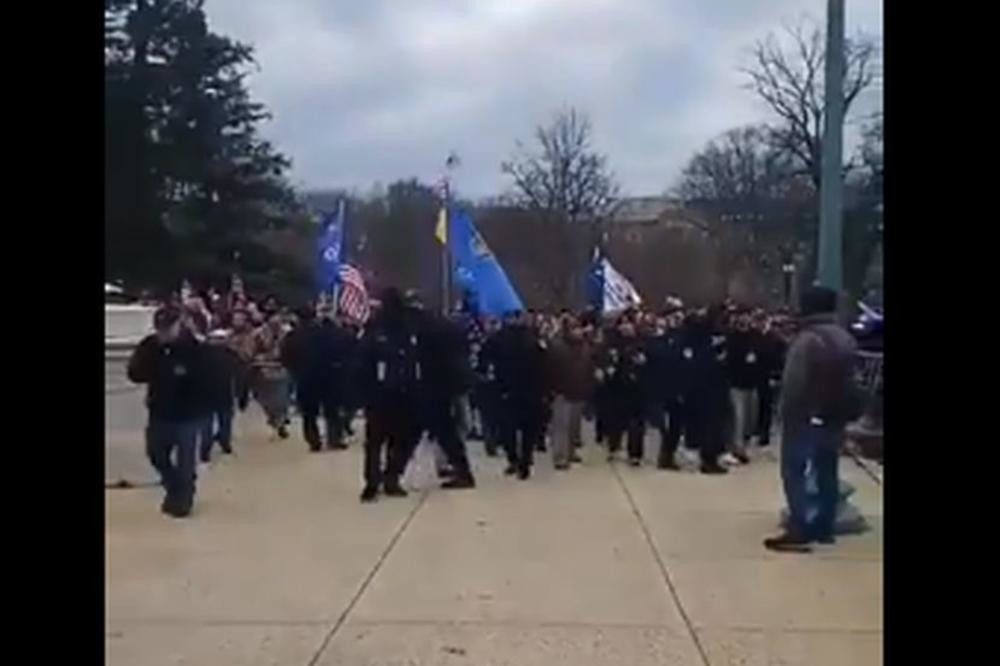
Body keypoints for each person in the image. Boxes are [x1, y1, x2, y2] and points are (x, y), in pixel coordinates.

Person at [765, 286, 862, 553]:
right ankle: (824, 525)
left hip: (804, 416)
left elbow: (794, 384)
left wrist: (784, 413)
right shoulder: (845, 339)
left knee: (794, 471)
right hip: (835, 416)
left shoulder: (806, 340)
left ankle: (799, 526)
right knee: (827, 470)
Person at [127, 307, 210, 518]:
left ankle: (183, 500)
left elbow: (206, 378)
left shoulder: (194, 348)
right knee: (156, 454)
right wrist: (149, 363)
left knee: (186, 461)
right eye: (159, 329)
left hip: (189, 414)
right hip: (159, 412)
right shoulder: (150, 346)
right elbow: (134, 374)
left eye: (167, 329)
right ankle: (175, 488)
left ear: (178, 325)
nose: (162, 334)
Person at [358, 288, 425, 502]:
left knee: (377, 442)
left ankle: (376, 481)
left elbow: (361, 363)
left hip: (386, 394)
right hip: (398, 394)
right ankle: (388, 478)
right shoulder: (405, 330)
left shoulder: (383, 330)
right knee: (396, 441)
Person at [494, 310, 549, 480]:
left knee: (507, 430)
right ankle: (524, 461)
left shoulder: (499, 339)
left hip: (508, 391)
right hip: (529, 391)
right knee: (527, 431)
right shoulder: (534, 340)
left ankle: (515, 460)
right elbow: (544, 366)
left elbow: (488, 362)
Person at [595, 317, 647, 466]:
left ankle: (635, 453)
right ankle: (614, 447)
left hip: (636, 389)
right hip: (616, 389)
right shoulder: (612, 344)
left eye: (629, 324)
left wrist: (641, 363)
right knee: (615, 421)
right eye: (623, 324)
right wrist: (606, 369)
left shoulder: (640, 343)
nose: (627, 327)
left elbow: (646, 362)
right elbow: (604, 361)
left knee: (636, 423)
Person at [546, 316, 594, 470]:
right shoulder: (556, 346)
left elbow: (589, 368)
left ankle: (571, 451)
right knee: (561, 426)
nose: (578, 331)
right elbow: (549, 369)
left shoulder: (585, 347)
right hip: (561, 391)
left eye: (579, 328)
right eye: (574, 328)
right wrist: (551, 389)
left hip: (579, 390)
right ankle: (560, 457)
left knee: (574, 426)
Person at [199, 329, 240, 462]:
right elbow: (240, 374)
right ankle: (225, 443)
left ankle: (205, 450)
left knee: (207, 423)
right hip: (224, 393)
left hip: (206, 394)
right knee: (225, 420)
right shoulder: (230, 354)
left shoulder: (201, 354)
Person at [251, 310, 291, 439]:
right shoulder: (258, 334)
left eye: (278, 319)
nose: (276, 322)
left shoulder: (287, 334)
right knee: (266, 401)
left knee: (282, 400)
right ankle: (274, 420)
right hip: (263, 370)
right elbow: (251, 351)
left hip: (281, 369)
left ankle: (281, 422)